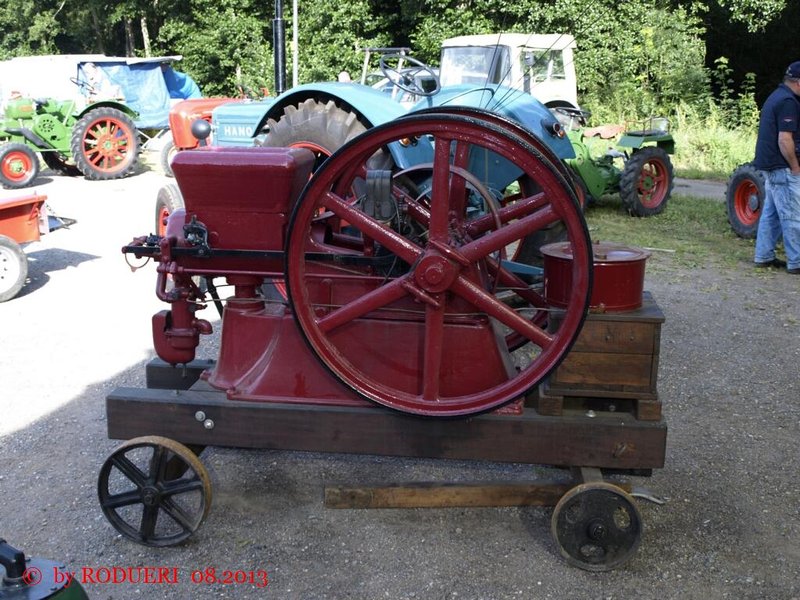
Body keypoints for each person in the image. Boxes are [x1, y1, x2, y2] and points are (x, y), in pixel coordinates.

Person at [753, 61, 800, 274]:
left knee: (771, 213)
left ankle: (763, 256)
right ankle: (796, 262)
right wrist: (795, 167)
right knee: (792, 214)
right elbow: (784, 139)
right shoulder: (788, 101)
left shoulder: (776, 95)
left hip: (769, 165)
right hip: (782, 166)